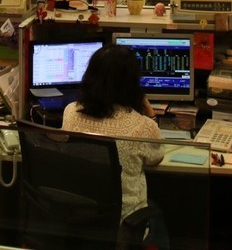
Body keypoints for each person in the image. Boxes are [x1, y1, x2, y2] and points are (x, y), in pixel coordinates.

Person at [62, 44, 169, 249]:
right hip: (124, 228)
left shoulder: (70, 113)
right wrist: (151, 114)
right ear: (132, 84)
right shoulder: (142, 126)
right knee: (157, 210)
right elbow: (157, 156)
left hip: (80, 220)